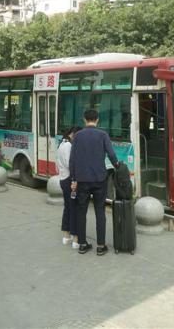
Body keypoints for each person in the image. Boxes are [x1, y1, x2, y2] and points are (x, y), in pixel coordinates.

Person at [70, 109, 119, 256]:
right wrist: (117, 166)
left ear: (84, 120)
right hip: (99, 179)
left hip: (82, 180)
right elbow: (111, 154)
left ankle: (83, 244)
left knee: (81, 211)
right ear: (97, 120)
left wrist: (74, 179)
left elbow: (73, 160)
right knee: (100, 211)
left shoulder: (78, 136)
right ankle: (100, 246)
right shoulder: (102, 135)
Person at [56, 126, 81, 249]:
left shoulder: (62, 143)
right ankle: (76, 239)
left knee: (68, 208)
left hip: (63, 178)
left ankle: (66, 236)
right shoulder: (68, 146)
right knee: (74, 209)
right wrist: (75, 180)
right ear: (73, 134)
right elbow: (69, 164)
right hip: (69, 180)